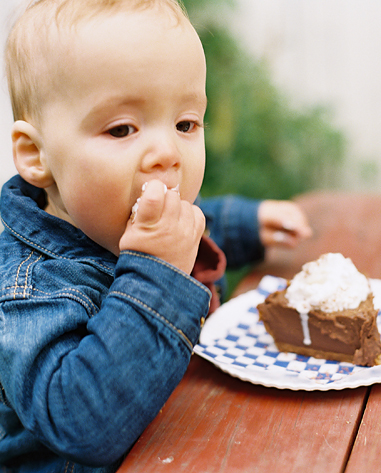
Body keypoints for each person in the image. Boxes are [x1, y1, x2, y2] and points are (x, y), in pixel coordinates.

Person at [0, 0, 312, 471]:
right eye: (122, 129)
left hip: (194, 434)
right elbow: (81, 422)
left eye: (186, 123)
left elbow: (199, 219)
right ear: (36, 154)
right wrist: (158, 273)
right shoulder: (30, 289)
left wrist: (248, 224)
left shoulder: (121, 215)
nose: (167, 152)